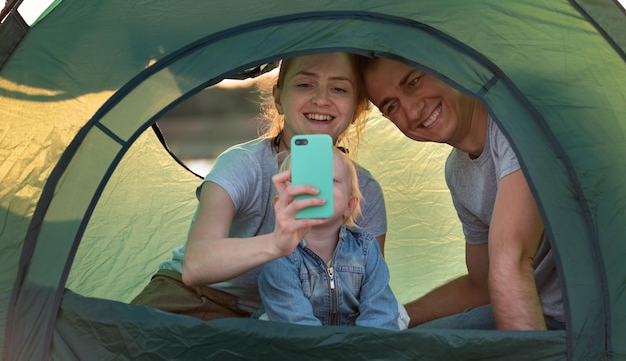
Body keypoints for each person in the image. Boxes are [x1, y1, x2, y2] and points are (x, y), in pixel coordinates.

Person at [131, 52, 388, 320]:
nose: (321, 99)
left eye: (339, 88)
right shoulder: (243, 163)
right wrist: (277, 243)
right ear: (278, 98)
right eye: (305, 84)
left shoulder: (363, 190)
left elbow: (369, 292)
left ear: (356, 109)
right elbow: (196, 265)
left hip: (285, 315)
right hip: (195, 296)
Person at [359, 55, 564, 331]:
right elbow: (481, 286)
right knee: (397, 348)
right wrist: (393, 318)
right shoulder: (457, 172)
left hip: (591, 326)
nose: (412, 111)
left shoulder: (516, 124)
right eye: (392, 106)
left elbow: (510, 260)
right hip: (537, 314)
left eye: (414, 82)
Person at [258, 148, 404, 330]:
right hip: (298, 340)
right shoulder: (281, 254)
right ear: (282, 204)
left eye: (331, 180)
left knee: (396, 313)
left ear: (350, 205)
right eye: (305, 182)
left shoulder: (365, 248)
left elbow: (379, 312)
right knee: (267, 326)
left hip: (356, 340)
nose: (318, 189)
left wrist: (365, 347)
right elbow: (295, 322)